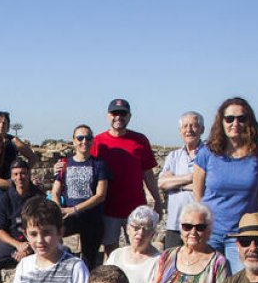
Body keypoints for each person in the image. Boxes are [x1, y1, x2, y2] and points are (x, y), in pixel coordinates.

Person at [192, 98, 258, 274]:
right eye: (229, 118)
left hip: (242, 235)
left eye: (241, 118)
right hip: (210, 232)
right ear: (221, 121)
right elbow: (198, 193)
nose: (235, 123)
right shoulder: (207, 152)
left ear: (248, 121)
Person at [89, 99, 163, 256]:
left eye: (123, 113)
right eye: (114, 113)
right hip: (109, 209)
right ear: (108, 115)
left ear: (129, 116)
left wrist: (157, 199)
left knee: (140, 250)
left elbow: (147, 173)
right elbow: (85, 166)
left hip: (135, 208)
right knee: (111, 252)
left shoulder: (140, 140)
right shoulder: (98, 142)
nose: (118, 117)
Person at [51, 124, 109, 269]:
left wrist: (74, 209)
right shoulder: (64, 164)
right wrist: (59, 209)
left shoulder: (99, 164)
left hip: (92, 219)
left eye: (88, 137)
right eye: (80, 137)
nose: (84, 141)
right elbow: (55, 191)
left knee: (89, 262)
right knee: (51, 243)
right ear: (73, 140)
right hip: (69, 218)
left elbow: (100, 195)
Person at [159, 112, 205, 249]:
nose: (189, 130)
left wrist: (175, 182)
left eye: (193, 126)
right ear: (180, 131)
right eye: (185, 126)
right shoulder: (173, 156)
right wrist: (192, 177)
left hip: (200, 225)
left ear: (202, 129)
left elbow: (210, 185)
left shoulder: (210, 155)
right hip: (175, 224)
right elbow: (162, 183)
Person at [106, 206, 162, 283]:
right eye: (136, 228)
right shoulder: (116, 254)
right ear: (128, 229)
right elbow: (102, 282)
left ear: (153, 234)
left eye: (146, 229)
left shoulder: (158, 261)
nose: (140, 233)